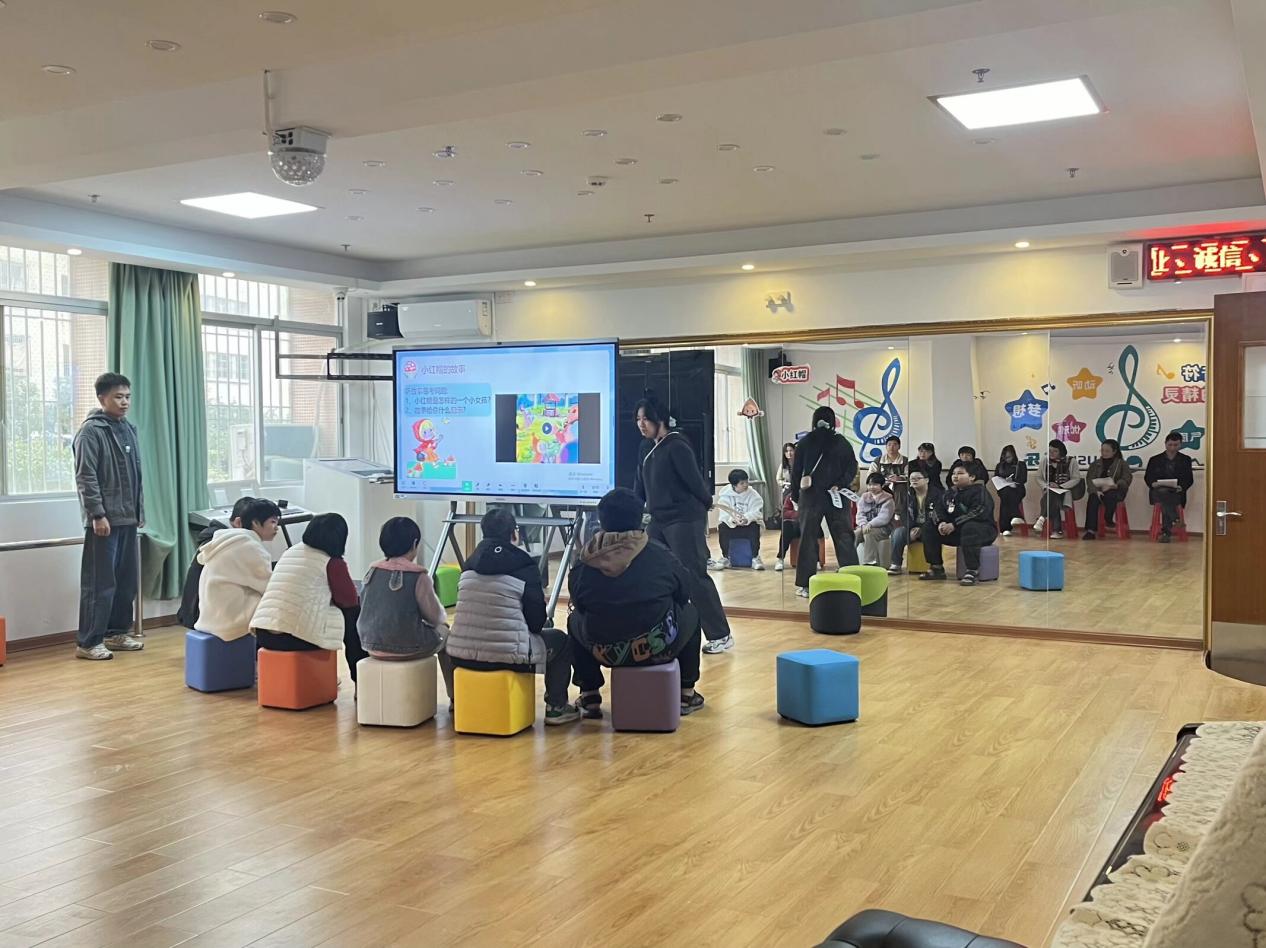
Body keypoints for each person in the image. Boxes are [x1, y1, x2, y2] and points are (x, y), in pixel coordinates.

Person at [567, 487, 705, 718]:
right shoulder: (659, 554)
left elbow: (579, 605)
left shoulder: (584, 560)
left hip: (604, 651)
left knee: (574, 621)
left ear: (601, 520)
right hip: (656, 647)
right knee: (690, 612)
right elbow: (684, 592)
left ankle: (589, 694)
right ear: (640, 518)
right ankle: (686, 693)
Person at [445, 509, 580, 724]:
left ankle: (458, 701)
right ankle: (557, 707)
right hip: (508, 656)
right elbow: (536, 624)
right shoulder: (524, 566)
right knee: (561, 641)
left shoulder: (468, 565)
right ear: (514, 534)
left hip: (460, 655)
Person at [632, 397, 734, 654]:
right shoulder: (645, 448)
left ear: (659, 419)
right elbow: (639, 486)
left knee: (693, 575)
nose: (641, 424)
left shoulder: (677, 445)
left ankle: (720, 635)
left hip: (684, 519)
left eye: (646, 419)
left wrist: (706, 503)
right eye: (638, 419)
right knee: (654, 573)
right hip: (658, 520)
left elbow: (695, 482)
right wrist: (633, 512)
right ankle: (665, 632)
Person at [73, 372, 145, 661]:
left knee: (126, 583)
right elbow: (86, 476)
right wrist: (97, 514)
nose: (125, 402)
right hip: (104, 521)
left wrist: (139, 512)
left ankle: (116, 633)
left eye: (127, 396)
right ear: (102, 398)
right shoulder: (91, 431)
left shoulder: (127, 428)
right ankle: (89, 642)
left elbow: (136, 476)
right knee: (100, 584)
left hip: (128, 518)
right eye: (118, 396)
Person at [356, 516, 454, 700]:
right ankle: (454, 697)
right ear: (414, 543)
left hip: (369, 644)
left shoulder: (372, 571)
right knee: (447, 634)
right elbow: (436, 617)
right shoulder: (418, 576)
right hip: (408, 646)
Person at [251, 513, 357, 658]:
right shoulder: (332, 562)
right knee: (352, 614)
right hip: (295, 636)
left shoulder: (290, 552)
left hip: (264, 632)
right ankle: (357, 666)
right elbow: (349, 600)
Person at [790, 405, 859, 597]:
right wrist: (840, 483)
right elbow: (852, 468)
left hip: (811, 496)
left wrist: (796, 496)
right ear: (833, 421)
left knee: (808, 538)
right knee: (844, 536)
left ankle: (806, 584)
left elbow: (796, 473)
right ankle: (853, 578)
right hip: (837, 495)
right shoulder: (842, 442)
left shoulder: (805, 442)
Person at [194, 499, 280, 641]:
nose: (276, 528)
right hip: (229, 621)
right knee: (280, 606)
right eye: (273, 522)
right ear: (255, 522)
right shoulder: (250, 547)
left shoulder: (227, 541)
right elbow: (269, 588)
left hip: (210, 616)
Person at [177, 495, 256, 630]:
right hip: (202, 615)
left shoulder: (217, 538)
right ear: (239, 522)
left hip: (194, 612)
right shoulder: (228, 544)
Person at [921, 465, 998, 586]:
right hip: (957, 532)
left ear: (972, 477)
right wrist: (941, 523)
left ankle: (972, 571)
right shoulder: (949, 493)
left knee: (970, 527)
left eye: (960, 473)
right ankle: (936, 567)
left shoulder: (980, 491)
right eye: (953, 474)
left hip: (982, 531)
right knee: (928, 527)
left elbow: (978, 512)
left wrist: (954, 524)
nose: (955, 476)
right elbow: (938, 510)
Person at [710, 468, 765, 571]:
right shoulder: (725, 496)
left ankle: (755, 557)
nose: (746, 485)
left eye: (746, 481)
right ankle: (726, 557)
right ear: (734, 485)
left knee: (755, 526)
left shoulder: (753, 495)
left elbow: (757, 512)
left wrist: (747, 518)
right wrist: (733, 519)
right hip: (732, 525)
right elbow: (724, 514)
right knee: (722, 527)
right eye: (742, 483)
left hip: (748, 525)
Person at [1144, 431, 1195, 543]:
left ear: (1180, 445)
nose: (1172, 448)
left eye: (1176, 445)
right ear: (1165, 443)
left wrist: (1181, 487)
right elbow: (1148, 477)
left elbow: (1189, 479)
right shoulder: (1155, 459)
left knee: (1166, 498)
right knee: (1163, 493)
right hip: (1158, 491)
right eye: (1170, 445)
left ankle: (1167, 531)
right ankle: (1175, 520)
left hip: (1176, 492)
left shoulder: (1185, 459)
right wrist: (1153, 483)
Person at [889, 468, 942, 574]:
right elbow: (904, 514)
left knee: (929, 532)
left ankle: (934, 566)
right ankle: (896, 564)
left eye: (918, 478)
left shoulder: (937, 494)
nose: (914, 481)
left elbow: (939, 514)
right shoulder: (909, 494)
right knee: (898, 532)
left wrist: (921, 528)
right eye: (912, 479)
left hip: (930, 528)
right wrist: (911, 527)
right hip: (912, 527)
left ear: (926, 480)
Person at [1083, 439, 1132, 540]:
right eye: (1102, 450)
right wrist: (1095, 491)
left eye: (1107, 451)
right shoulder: (1095, 464)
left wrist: (1114, 485)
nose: (1104, 453)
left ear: (1114, 451)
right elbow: (1089, 479)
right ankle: (1090, 531)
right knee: (1093, 499)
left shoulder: (1122, 463)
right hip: (1099, 490)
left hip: (1115, 490)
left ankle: (1108, 518)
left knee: (1111, 495)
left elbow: (1126, 479)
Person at [1034, 439, 1084, 538]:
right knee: (1052, 497)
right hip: (1049, 491)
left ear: (1061, 451)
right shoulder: (1045, 460)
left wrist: (1060, 486)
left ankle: (1042, 518)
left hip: (1065, 492)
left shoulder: (1071, 461)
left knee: (1051, 497)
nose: (1051, 453)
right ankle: (1056, 531)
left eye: (1055, 451)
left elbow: (1076, 478)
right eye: (1050, 451)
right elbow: (1038, 477)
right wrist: (1046, 486)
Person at [856, 472, 896, 566]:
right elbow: (860, 514)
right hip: (865, 526)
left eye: (875, 484)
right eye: (869, 484)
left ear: (882, 485)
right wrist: (863, 524)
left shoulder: (888, 499)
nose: (871, 487)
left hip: (884, 529)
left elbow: (884, 518)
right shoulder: (864, 497)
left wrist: (870, 524)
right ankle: (848, 561)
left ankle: (870, 562)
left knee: (869, 532)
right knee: (855, 534)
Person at [993, 445, 1028, 536]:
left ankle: (1005, 528)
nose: (1007, 459)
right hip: (1003, 489)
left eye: (1009, 457)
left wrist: (1013, 481)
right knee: (1006, 493)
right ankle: (1016, 515)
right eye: (1005, 457)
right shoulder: (1000, 466)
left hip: (1017, 489)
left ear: (1013, 455)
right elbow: (996, 478)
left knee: (1006, 500)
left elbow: (1023, 479)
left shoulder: (1021, 465)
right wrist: (1004, 481)